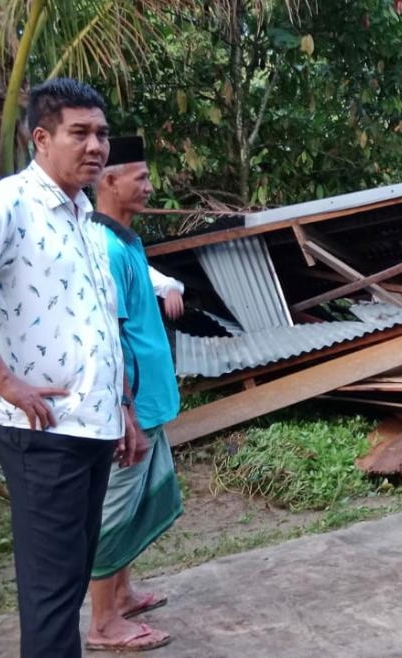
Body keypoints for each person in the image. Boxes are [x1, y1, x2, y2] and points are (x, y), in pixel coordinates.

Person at [0, 78, 142, 658]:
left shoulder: (85, 216)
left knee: (71, 581)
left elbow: (99, 322)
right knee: (52, 595)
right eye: (79, 133)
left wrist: (123, 409)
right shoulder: (12, 203)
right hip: (43, 434)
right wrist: (6, 381)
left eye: (101, 134)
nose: (96, 146)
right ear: (41, 138)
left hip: (92, 427)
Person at [83, 135, 182, 652]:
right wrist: (126, 412)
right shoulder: (103, 248)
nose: (148, 186)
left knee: (136, 503)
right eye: (139, 178)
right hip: (130, 409)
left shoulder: (125, 242)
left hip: (149, 402)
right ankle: (102, 623)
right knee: (114, 511)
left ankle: (121, 595)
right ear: (110, 181)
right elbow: (110, 339)